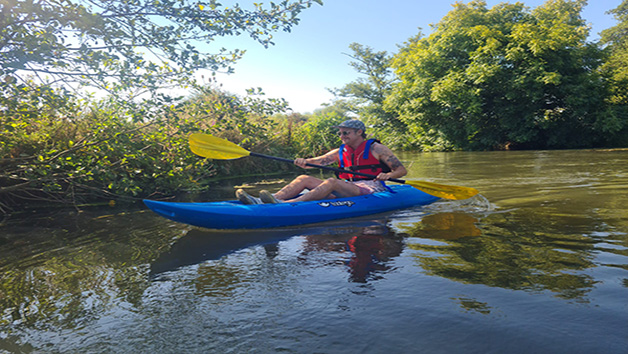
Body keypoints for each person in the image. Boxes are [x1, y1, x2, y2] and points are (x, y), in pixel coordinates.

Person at [236, 119, 407, 204]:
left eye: (345, 133)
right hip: (348, 187)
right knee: (303, 178)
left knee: (332, 182)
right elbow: (318, 161)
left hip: (370, 188)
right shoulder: (341, 150)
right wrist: (304, 161)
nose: (341, 136)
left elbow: (401, 171)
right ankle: (268, 200)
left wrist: (387, 175)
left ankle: (286, 205)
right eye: (339, 133)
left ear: (359, 132)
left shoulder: (376, 148)